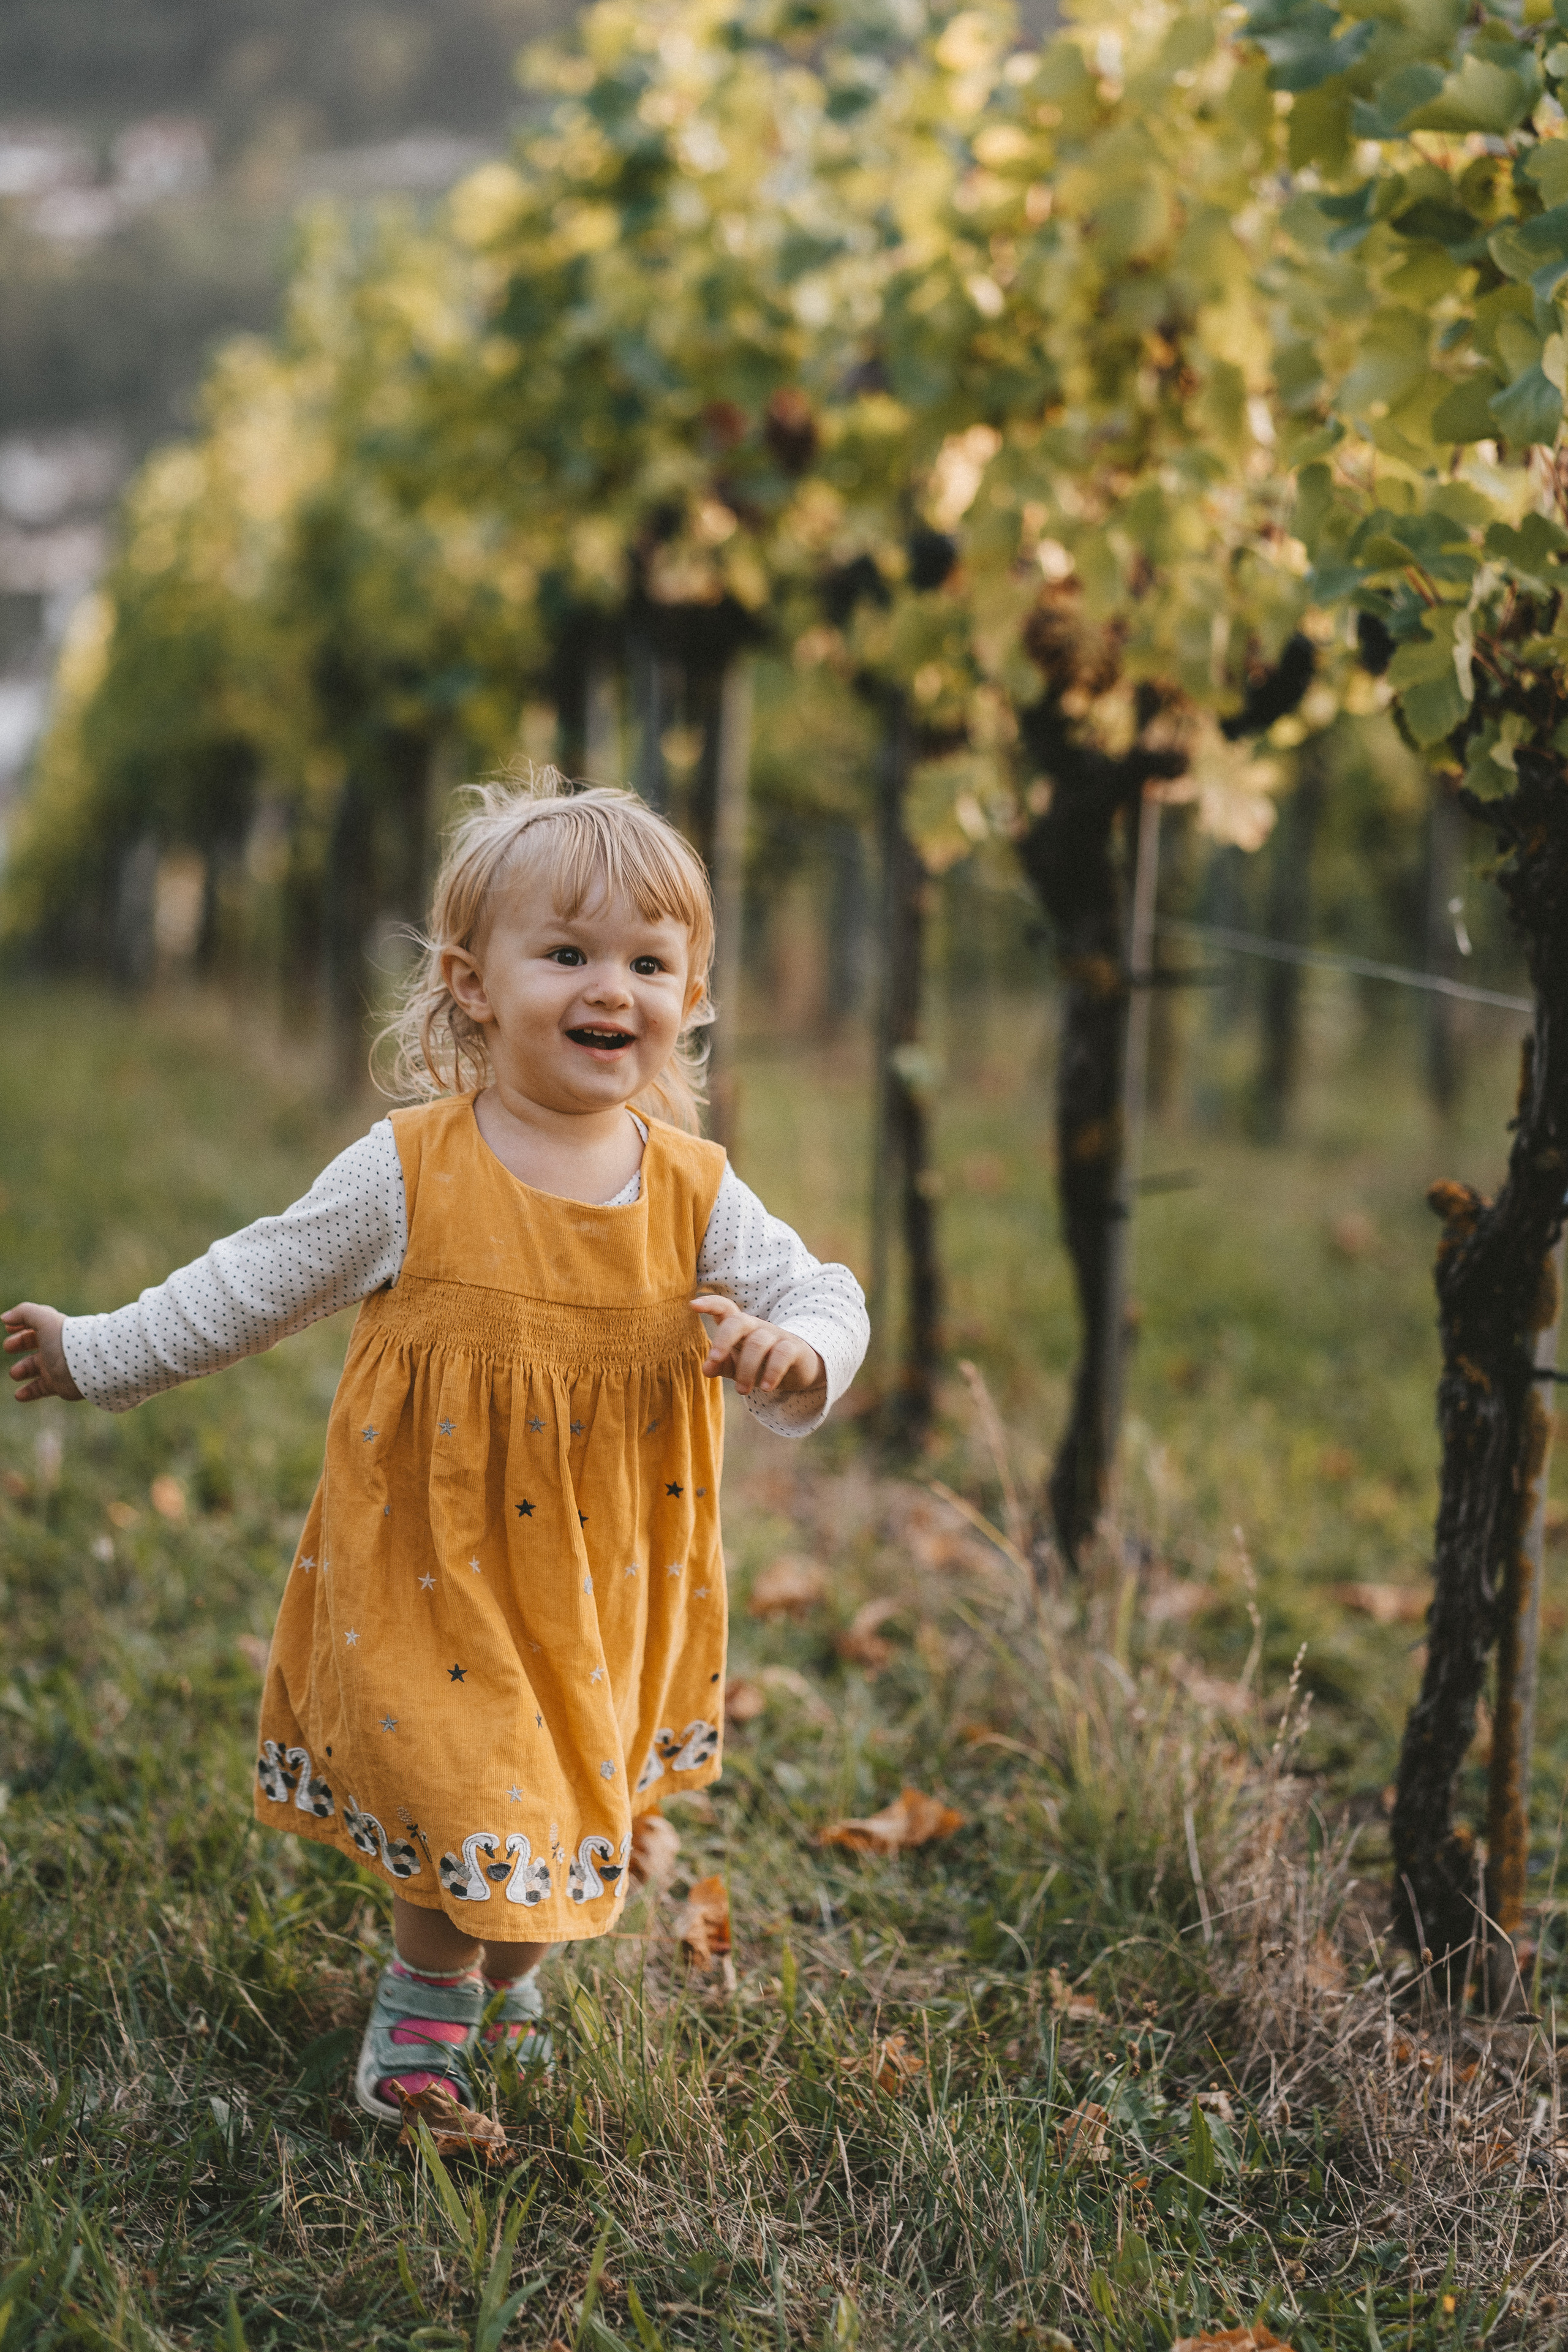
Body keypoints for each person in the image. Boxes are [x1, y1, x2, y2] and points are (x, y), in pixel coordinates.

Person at [4, 773, 869, 2123]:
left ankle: (507, 1974)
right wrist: (98, 1351)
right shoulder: (408, 1170)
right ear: (472, 983)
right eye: (568, 954)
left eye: (648, 962)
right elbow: (253, 1281)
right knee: (469, 1786)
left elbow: (822, 1290)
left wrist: (800, 1352)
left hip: (605, 1578)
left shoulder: (696, 1189)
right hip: (439, 1558)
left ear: (690, 997)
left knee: (558, 1828)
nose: (611, 989)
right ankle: (424, 2004)